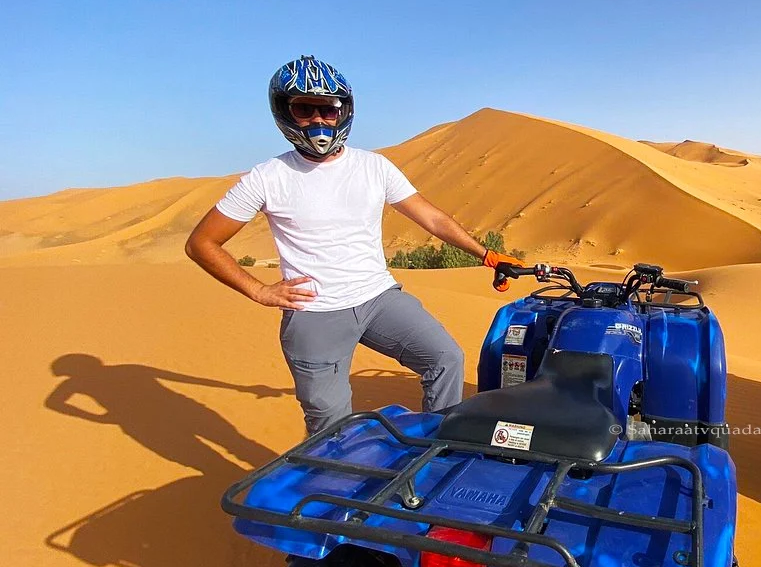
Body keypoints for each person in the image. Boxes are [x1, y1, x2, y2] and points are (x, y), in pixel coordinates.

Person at [185, 55, 523, 436]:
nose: (318, 120)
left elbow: (433, 219)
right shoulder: (267, 178)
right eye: (304, 109)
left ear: (343, 111)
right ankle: (330, 487)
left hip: (378, 298)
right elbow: (201, 243)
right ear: (285, 112)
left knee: (445, 358)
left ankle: (437, 453)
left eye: (328, 109)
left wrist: (487, 255)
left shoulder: (374, 167)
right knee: (329, 419)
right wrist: (257, 290)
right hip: (315, 312)